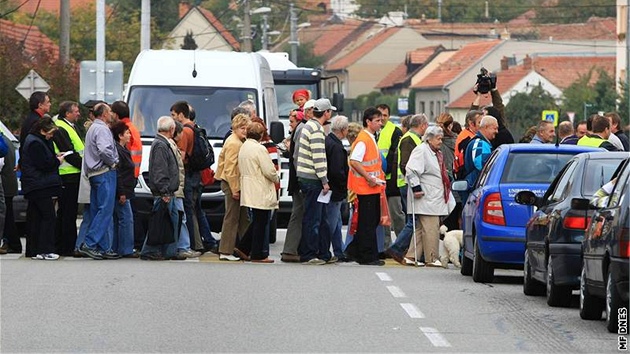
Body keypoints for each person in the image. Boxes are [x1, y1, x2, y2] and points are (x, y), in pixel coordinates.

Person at [404, 126, 456, 267]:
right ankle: (432, 258)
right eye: (438, 139)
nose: (440, 141)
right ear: (429, 138)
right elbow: (411, 170)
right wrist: (416, 188)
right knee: (431, 227)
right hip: (426, 196)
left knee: (421, 229)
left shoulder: (433, 152)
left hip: (432, 196)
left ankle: (411, 256)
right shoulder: (422, 151)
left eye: (441, 138)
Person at [170, 101, 217, 253]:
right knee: (197, 209)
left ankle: (194, 243)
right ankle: (208, 240)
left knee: (189, 211)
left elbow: (182, 157)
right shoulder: (195, 127)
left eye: (174, 115)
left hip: (189, 176)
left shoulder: (185, 131)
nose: (173, 119)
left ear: (181, 114)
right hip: (198, 176)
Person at [79, 103, 120, 260]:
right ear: (103, 114)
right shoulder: (102, 129)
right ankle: (89, 243)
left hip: (94, 174)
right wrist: (113, 161)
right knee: (105, 210)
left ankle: (103, 247)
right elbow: (104, 150)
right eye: (109, 111)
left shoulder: (92, 128)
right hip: (104, 172)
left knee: (97, 210)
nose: (111, 114)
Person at [385, 114, 429, 263]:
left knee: (413, 220)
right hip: (408, 185)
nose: (427, 128)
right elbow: (406, 165)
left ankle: (406, 250)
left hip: (407, 184)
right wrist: (414, 184)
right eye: (426, 125)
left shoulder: (412, 138)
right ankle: (397, 248)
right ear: (422, 125)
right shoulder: (409, 139)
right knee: (413, 220)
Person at [296, 98, 335, 265]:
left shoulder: (308, 126)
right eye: (329, 111)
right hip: (313, 179)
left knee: (315, 216)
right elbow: (318, 157)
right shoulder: (317, 130)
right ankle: (309, 254)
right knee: (314, 218)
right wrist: (325, 180)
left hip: (305, 176)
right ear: (326, 113)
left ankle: (322, 252)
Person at [345, 107, 385, 266]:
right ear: (368, 122)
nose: (380, 124)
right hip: (365, 187)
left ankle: (357, 250)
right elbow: (354, 161)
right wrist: (368, 177)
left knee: (370, 221)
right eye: (377, 121)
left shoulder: (369, 137)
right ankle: (367, 255)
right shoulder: (364, 139)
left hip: (371, 186)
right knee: (368, 222)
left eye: (381, 120)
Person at [235, 122, 279, 263]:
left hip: (249, 185)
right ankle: (258, 254)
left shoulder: (244, 147)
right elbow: (269, 170)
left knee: (257, 221)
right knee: (262, 221)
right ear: (260, 135)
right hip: (260, 186)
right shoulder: (259, 149)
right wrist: (276, 177)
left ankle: (243, 247)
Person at [140, 116, 183, 260]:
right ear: (172, 129)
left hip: (168, 191)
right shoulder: (160, 145)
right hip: (164, 192)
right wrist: (164, 191)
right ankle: (149, 250)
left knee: (170, 221)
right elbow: (160, 170)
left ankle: (170, 251)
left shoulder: (162, 143)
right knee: (159, 223)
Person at [20, 117, 63, 260]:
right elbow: (43, 164)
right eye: (50, 133)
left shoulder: (34, 140)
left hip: (35, 184)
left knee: (36, 218)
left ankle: (34, 250)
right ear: (42, 130)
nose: (51, 136)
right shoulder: (35, 143)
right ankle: (45, 249)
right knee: (48, 216)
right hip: (39, 185)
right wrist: (57, 161)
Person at [215, 113, 250, 261]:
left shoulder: (235, 140)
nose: (245, 131)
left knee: (242, 218)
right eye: (242, 128)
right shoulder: (234, 143)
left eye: (246, 128)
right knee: (232, 217)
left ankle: (246, 247)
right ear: (235, 127)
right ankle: (226, 251)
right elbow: (230, 169)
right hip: (231, 183)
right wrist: (235, 189)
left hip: (232, 182)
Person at [51, 101, 83, 257]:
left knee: (69, 212)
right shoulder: (60, 127)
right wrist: (84, 165)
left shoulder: (69, 126)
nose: (78, 113)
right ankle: (65, 246)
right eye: (76, 111)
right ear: (67, 113)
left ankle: (67, 244)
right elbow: (68, 153)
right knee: (67, 213)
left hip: (73, 174)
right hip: (67, 175)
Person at [281, 109, 308, 263]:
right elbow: (297, 156)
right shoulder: (301, 129)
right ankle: (290, 250)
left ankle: (293, 249)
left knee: (298, 214)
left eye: (291, 121)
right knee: (298, 214)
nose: (289, 124)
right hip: (298, 181)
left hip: (296, 180)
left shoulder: (299, 130)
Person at [376, 103, 404, 250]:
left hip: (391, 181)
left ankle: (401, 245)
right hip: (377, 180)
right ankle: (385, 246)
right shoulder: (373, 131)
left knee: (396, 215)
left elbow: (394, 156)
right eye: (380, 115)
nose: (382, 118)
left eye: (385, 115)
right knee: (382, 217)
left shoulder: (395, 131)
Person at [324, 115, 349, 263]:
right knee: (331, 223)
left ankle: (339, 251)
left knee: (337, 222)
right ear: (343, 130)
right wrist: (344, 186)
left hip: (330, 189)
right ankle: (325, 251)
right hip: (335, 191)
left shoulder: (328, 141)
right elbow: (337, 171)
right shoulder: (337, 147)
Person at [110, 121, 136, 258]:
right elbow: (118, 173)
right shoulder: (119, 151)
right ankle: (126, 249)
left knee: (119, 219)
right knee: (126, 219)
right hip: (122, 191)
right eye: (127, 133)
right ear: (120, 135)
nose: (129, 135)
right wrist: (122, 192)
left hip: (125, 189)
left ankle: (116, 247)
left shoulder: (123, 149)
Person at [436, 112, 460, 231]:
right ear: (450, 125)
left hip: (439, 181)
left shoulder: (434, 142)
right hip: (454, 180)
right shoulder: (457, 140)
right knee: (455, 218)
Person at [462, 116, 499, 193]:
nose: (497, 131)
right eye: (495, 128)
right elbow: (484, 167)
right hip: (475, 189)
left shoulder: (480, 142)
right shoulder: (480, 144)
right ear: (486, 127)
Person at [0, 132, 20, 254]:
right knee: (8, 216)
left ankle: (12, 243)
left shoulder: (3, 143)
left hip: (5, 183)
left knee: (6, 217)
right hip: (9, 183)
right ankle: (12, 243)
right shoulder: (6, 140)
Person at [454, 110, 483, 180]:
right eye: (480, 122)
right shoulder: (467, 138)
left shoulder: (468, 135)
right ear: (471, 124)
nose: (482, 125)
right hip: (466, 176)